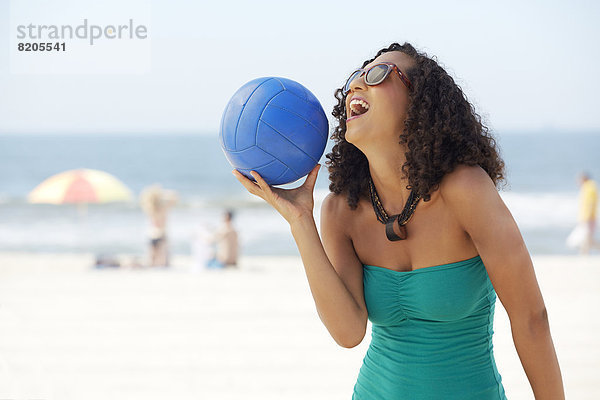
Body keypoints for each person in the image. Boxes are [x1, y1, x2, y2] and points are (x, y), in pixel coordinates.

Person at [233, 42, 564, 399]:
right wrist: (300, 220)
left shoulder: (465, 189)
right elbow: (348, 333)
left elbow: (532, 320)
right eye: (354, 78)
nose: (356, 85)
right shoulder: (340, 211)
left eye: (378, 74)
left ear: (420, 104)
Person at [139, 184, 178, 267]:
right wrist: (163, 194)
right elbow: (174, 197)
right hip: (161, 234)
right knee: (163, 261)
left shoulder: (150, 209)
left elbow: (145, 198)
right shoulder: (163, 210)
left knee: (152, 260)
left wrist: (156, 195)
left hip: (151, 234)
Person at [572, 172, 599, 254]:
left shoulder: (590, 187)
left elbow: (591, 203)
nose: (578, 182)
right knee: (586, 238)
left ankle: (584, 254)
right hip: (587, 217)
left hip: (589, 217)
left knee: (587, 239)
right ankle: (584, 254)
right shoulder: (588, 187)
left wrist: (587, 216)